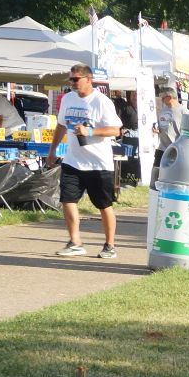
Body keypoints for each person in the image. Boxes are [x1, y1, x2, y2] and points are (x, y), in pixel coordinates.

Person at [50, 64, 123, 259]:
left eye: (76, 79)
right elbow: (61, 126)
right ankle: (75, 242)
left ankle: (109, 245)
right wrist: (52, 150)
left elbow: (115, 130)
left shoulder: (101, 101)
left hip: (98, 163)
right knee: (67, 199)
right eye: (70, 79)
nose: (72, 83)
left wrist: (89, 131)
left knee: (104, 205)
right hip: (73, 161)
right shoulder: (67, 98)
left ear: (88, 80)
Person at [153, 85, 184, 151]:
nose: (161, 100)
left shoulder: (183, 111)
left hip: (176, 149)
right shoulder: (163, 110)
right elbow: (161, 126)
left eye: (163, 98)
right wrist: (157, 129)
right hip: (162, 148)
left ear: (169, 97)